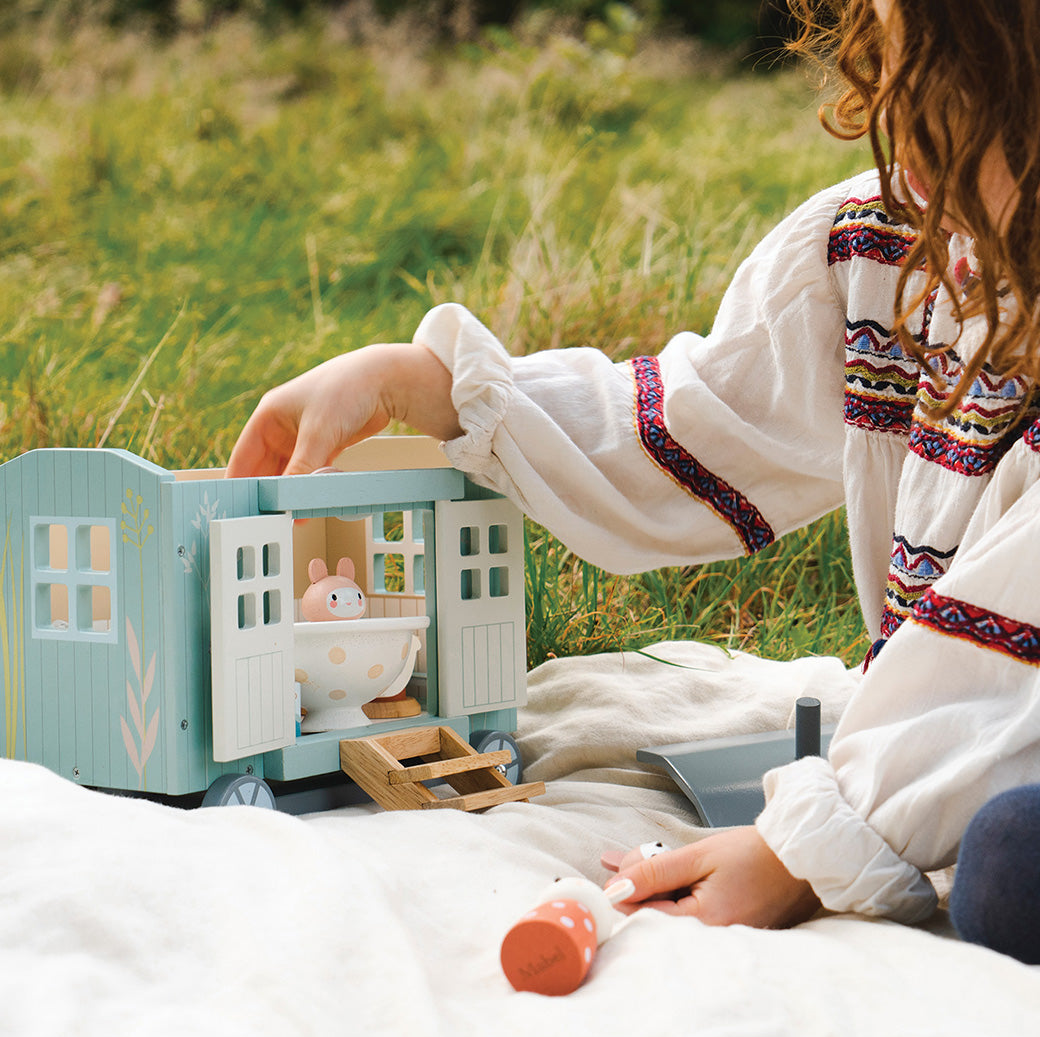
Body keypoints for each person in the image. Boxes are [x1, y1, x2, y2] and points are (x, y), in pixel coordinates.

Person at [227, 0, 1040, 962]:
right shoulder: (890, 247)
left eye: (958, 96)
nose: (910, 133)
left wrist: (804, 854)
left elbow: (998, 666)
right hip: (971, 733)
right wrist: (427, 386)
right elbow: (699, 428)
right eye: (902, 72)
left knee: (1007, 861)